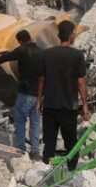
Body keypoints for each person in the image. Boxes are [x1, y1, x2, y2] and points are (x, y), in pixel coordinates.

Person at [37, 20, 89, 171]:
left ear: (59, 35)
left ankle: (46, 171)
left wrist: (39, 100)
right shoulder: (77, 55)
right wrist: (85, 104)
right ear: (71, 35)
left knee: (49, 141)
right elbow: (80, 82)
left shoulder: (47, 53)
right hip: (69, 106)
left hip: (50, 105)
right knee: (71, 141)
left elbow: (42, 79)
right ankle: (71, 171)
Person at [0, 30, 42, 155]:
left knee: (20, 120)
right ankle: (35, 150)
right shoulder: (42, 52)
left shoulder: (22, 50)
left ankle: (20, 148)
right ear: (30, 37)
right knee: (35, 121)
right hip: (38, 94)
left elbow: (6, 57)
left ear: (20, 41)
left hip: (25, 92)